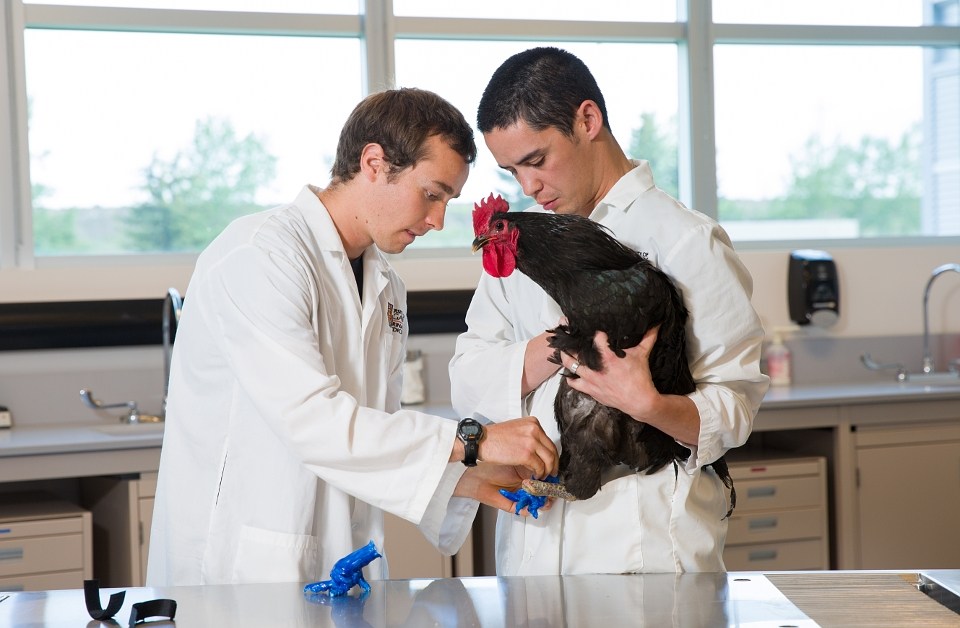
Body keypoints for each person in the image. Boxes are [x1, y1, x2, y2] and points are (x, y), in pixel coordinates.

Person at [147, 87, 558, 587]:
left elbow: (370, 431)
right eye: (431, 194)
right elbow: (314, 422)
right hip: (242, 565)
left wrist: (464, 480)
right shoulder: (261, 255)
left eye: (447, 200)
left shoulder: (385, 283)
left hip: (337, 555)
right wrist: (474, 440)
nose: (437, 221)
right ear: (374, 162)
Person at [449, 47, 769, 575]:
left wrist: (648, 404)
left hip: (644, 540)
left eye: (536, 160)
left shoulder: (686, 241)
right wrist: (557, 347)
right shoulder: (523, 247)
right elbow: (467, 375)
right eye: (512, 170)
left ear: (588, 119)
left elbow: (735, 406)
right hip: (535, 538)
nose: (528, 187)